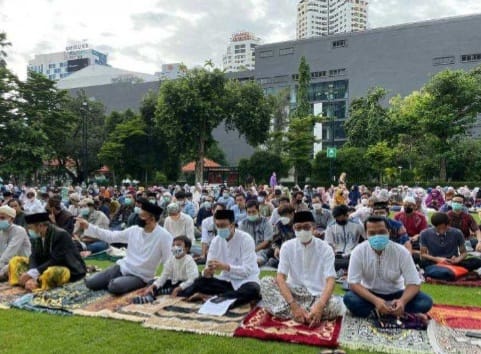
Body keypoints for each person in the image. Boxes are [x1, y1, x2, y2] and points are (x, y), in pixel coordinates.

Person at [260, 211, 344, 325]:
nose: (302, 231)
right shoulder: (287, 247)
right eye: (298, 228)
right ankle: (307, 315)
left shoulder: (325, 248)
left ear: (313, 227)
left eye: (306, 227)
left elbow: (331, 280)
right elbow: (280, 277)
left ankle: (304, 314)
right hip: (293, 294)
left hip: (316, 295)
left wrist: (320, 305)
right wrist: (294, 306)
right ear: (294, 229)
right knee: (265, 283)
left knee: (336, 305)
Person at [343, 216, 433, 318]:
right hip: (370, 295)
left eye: (381, 232)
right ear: (366, 234)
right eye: (372, 233)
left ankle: (380, 312)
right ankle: (397, 313)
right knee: (349, 298)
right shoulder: (358, 251)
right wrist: (376, 301)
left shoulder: (401, 252)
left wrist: (402, 301)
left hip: (397, 294)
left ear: (389, 232)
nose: (377, 236)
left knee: (425, 302)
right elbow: (353, 283)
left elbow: (414, 283)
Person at [78, 200, 172, 295]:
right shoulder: (134, 230)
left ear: (152, 218)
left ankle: (125, 282)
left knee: (114, 286)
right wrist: (88, 226)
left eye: (142, 215)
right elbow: (111, 236)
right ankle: (116, 280)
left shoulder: (164, 236)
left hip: (140, 276)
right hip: (123, 267)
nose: (138, 217)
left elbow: (168, 262)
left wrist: (158, 283)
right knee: (90, 283)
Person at [182, 209, 260, 308]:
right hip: (226, 281)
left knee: (253, 290)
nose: (220, 229)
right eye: (217, 226)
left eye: (223, 226)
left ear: (232, 225)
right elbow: (207, 269)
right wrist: (208, 272)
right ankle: (223, 299)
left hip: (246, 281)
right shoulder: (216, 241)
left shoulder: (246, 239)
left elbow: (247, 271)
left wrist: (225, 267)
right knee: (200, 282)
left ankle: (211, 298)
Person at [14, 210, 86, 291]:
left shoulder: (61, 234)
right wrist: (31, 273)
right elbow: (33, 256)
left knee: (51, 273)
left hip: (66, 267)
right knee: (16, 261)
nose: (28, 230)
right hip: (43, 266)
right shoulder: (37, 236)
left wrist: (33, 274)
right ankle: (28, 281)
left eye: (30, 227)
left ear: (40, 226)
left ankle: (37, 282)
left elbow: (56, 260)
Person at [133, 235, 199, 303]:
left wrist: (178, 289)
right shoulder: (171, 260)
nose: (175, 247)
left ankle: (168, 291)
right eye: (173, 245)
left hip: (185, 284)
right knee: (152, 282)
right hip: (173, 283)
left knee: (192, 289)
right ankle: (149, 296)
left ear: (187, 248)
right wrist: (153, 286)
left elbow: (192, 279)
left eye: (179, 245)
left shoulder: (189, 260)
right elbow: (164, 276)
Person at [420, 212, 481, 280]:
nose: (442, 231)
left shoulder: (457, 233)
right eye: (439, 229)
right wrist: (437, 259)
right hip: (436, 262)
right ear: (434, 226)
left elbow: (464, 253)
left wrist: (458, 259)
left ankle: (447, 273)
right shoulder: (425, 234)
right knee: (422, 262)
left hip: (453, 262)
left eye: (444, 228)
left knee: (476, 261)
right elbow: (423, 254)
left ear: (448, 225)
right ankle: (453, 273)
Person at [324, 205, 365, 271]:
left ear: (346, 215)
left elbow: (366, 238)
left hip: (353, 254)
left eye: (341, 217)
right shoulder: (331, 226)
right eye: (336, 218)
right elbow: (328, 243)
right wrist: (332, 252)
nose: (338, 219)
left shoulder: (357, 224)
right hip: (337, 255)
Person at [0, 206, 31, 281]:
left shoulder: (19, 231)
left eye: (2, 218)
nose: (0, 220)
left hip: (22, 262)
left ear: (12, 219)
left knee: (5, 270)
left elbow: (10, 251)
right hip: (6, 262)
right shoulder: (2, 232)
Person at [239, 200, 273, 266]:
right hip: (247, 251)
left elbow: (267, 241)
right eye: (249, 212)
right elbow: (240, 241)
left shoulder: (266, 222)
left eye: (253, 212)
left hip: (262, 250)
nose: (251, 214)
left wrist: (254, 250)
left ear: (258, 211)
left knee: (257, 261)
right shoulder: (243, 223)